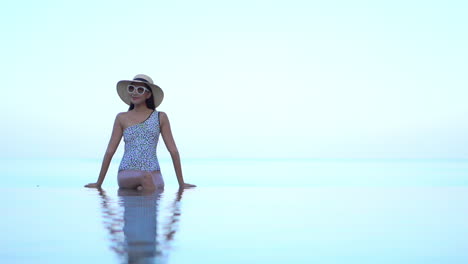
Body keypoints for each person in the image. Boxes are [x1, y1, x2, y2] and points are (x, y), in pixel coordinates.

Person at [85, 74, 196, 191]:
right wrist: (99, 183)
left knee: (149, 182)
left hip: (154, 172)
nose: (135, 92)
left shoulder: (160, 117)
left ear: (148, 94)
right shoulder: (121, 118)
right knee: (146, 179)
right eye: (131, 89)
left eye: (140, 89)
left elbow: (173, 150)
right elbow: (109, 152)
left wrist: (181, 183)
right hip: (127, 172)